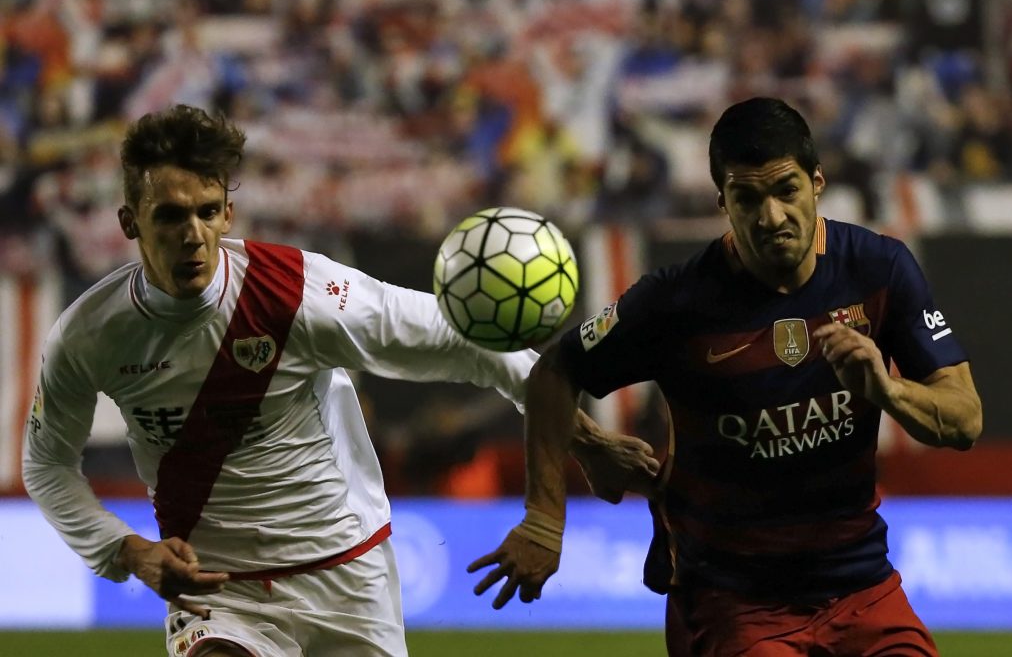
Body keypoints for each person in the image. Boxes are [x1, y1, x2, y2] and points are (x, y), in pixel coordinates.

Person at [21, 104, 659, 657]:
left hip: (347, 573)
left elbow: (468, 342)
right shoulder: (88, 336)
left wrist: (583, 439)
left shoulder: (298, 293)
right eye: (168, 216)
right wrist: (126, 551)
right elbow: (47, 465)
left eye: (208, 212)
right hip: (220, 588)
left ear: (228, 212)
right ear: (129, 220)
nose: (192, 236)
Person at [469, 97, 983, 656]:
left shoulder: (879, 270)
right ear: (723, 203)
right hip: (732, 600)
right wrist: (551, 508)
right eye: (747, 197)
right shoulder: (676, 302)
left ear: (817, 184)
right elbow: (555, 372)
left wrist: (888, 391)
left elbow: (964, 421)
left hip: (860, 585)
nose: (771, 217)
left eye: (786, 190)